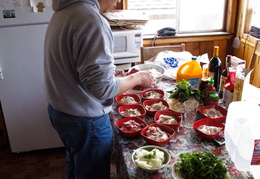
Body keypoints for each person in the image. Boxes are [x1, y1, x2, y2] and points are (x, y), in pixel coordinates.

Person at [44, 0, 156, 178]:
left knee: (76, 163)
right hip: (85, 119)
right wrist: (137, 77)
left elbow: (76, 66)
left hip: (61, 112)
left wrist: (111, 74)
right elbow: (103, 89)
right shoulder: (91, 19)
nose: (118, 1)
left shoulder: (64, 11)